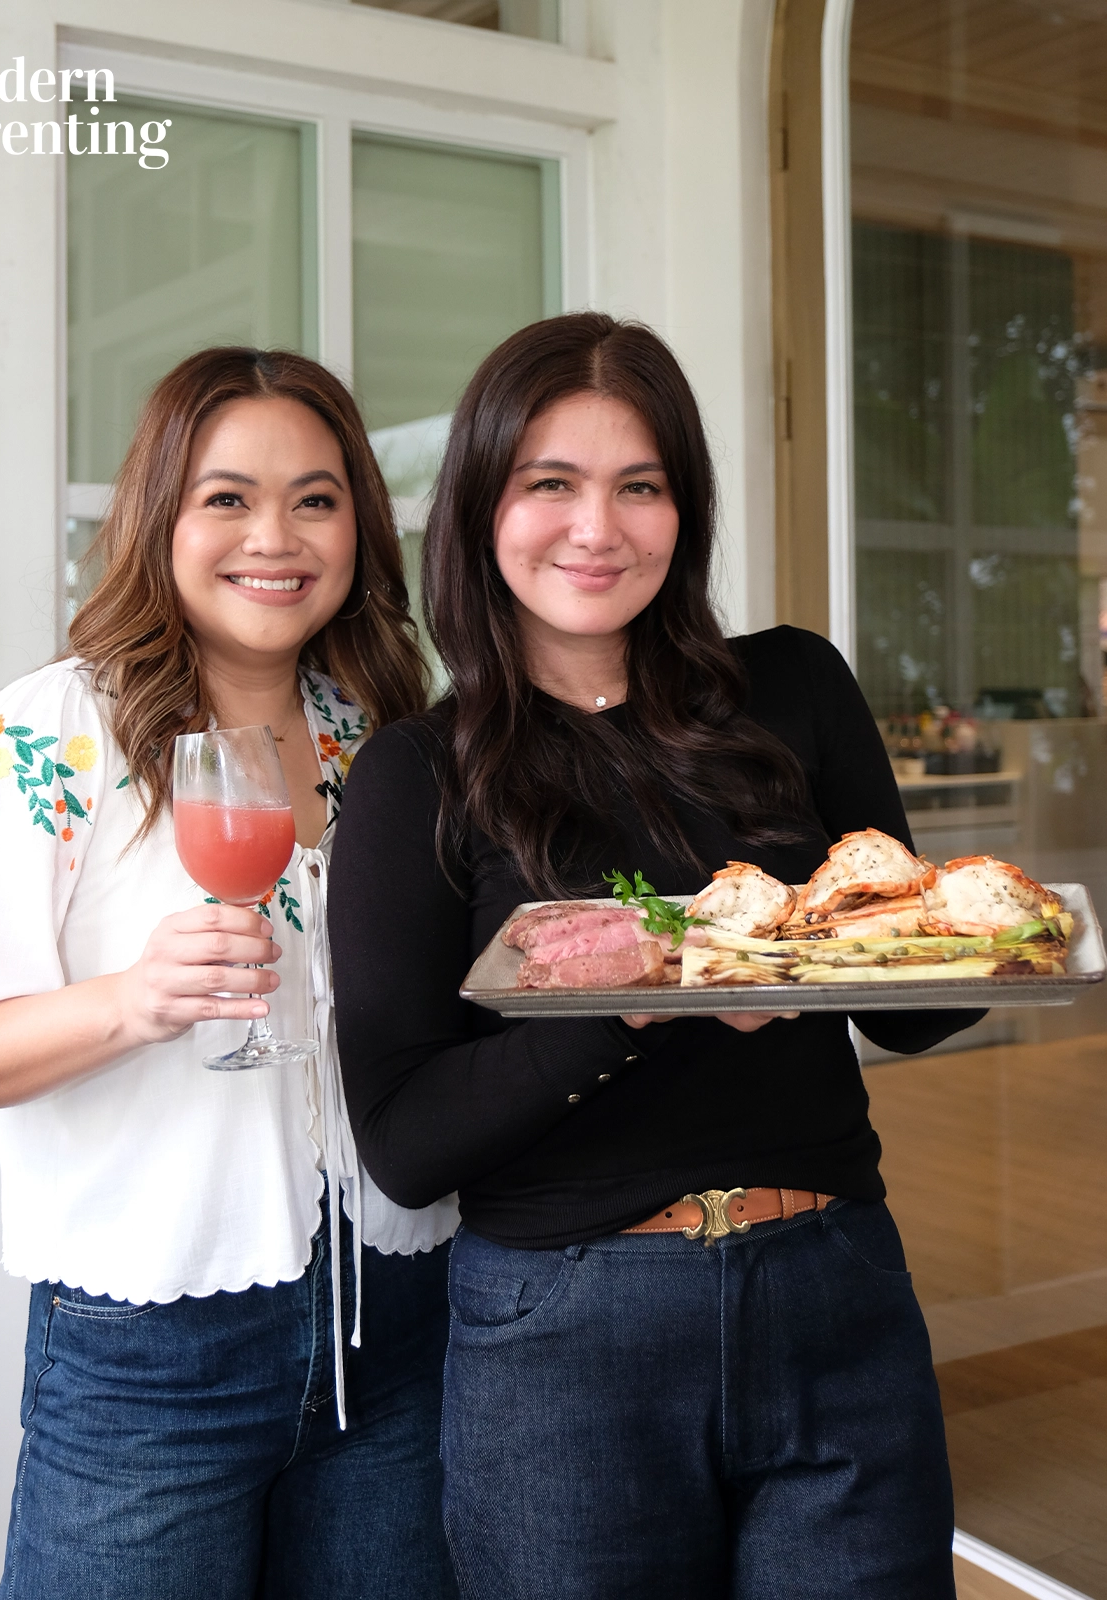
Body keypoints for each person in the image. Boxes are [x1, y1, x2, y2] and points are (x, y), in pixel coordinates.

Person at [327, 313, 983, 1600]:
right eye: (549, 483)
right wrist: (642, 997)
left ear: (684, 509)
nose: (597, 527)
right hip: (565, 1335)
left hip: (831, 1287)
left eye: (640, 485)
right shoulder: (419, 771)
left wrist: (939, 944)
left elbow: (911, 1010)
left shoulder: (793, 686)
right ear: (479, 503)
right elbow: (402, 1142)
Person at [0, 348, 459, 1600]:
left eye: (314, 499)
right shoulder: (53, 731)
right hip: (152, 1360)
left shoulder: (378, 733)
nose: (274, 537)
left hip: (397, 1324)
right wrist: (129, 1002)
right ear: (160, 517)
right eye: (226, 497)